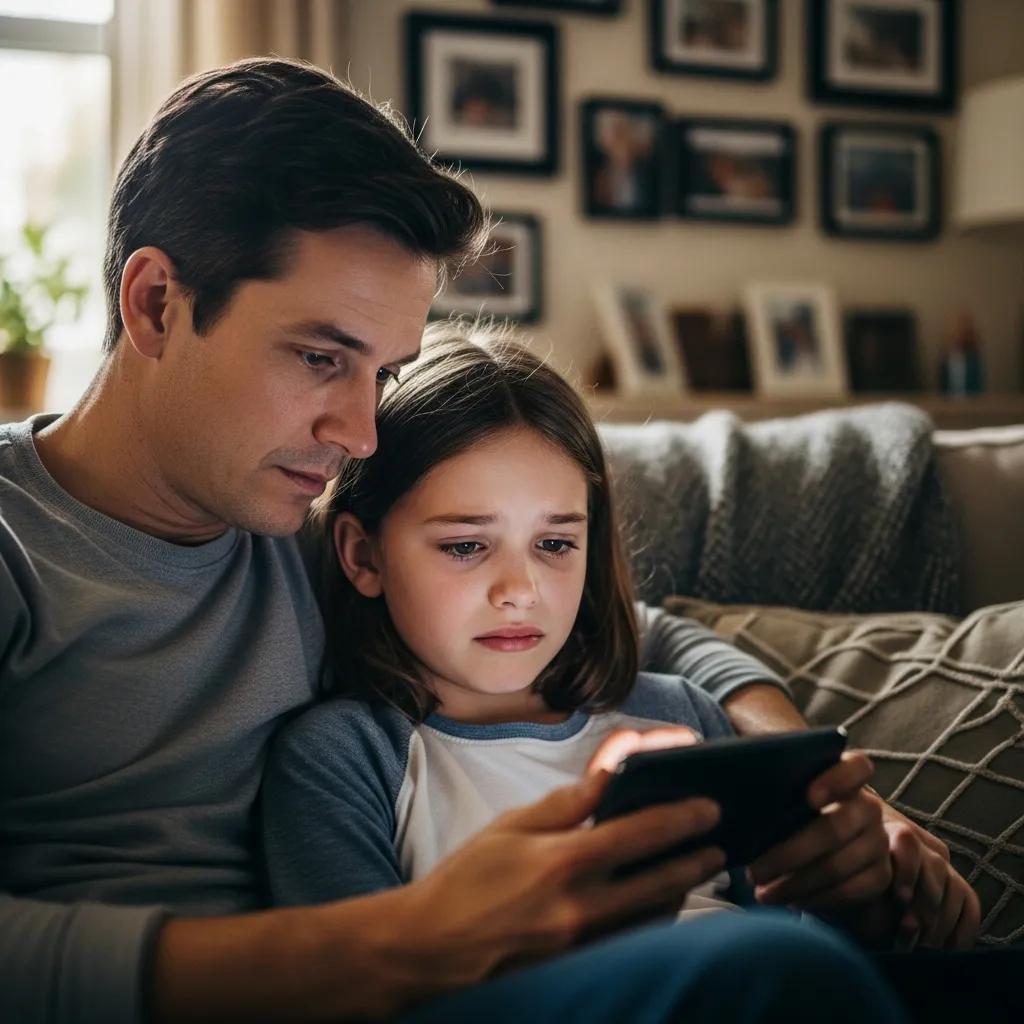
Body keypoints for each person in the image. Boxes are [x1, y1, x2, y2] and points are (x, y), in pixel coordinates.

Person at [0, 57, 974, 1024]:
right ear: (156, 303)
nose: (361, 434)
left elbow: (634, 631)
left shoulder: (307, 533)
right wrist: (399, 940)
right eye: (319, 357)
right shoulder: (21, 549)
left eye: (382, 374)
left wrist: (822, 797)